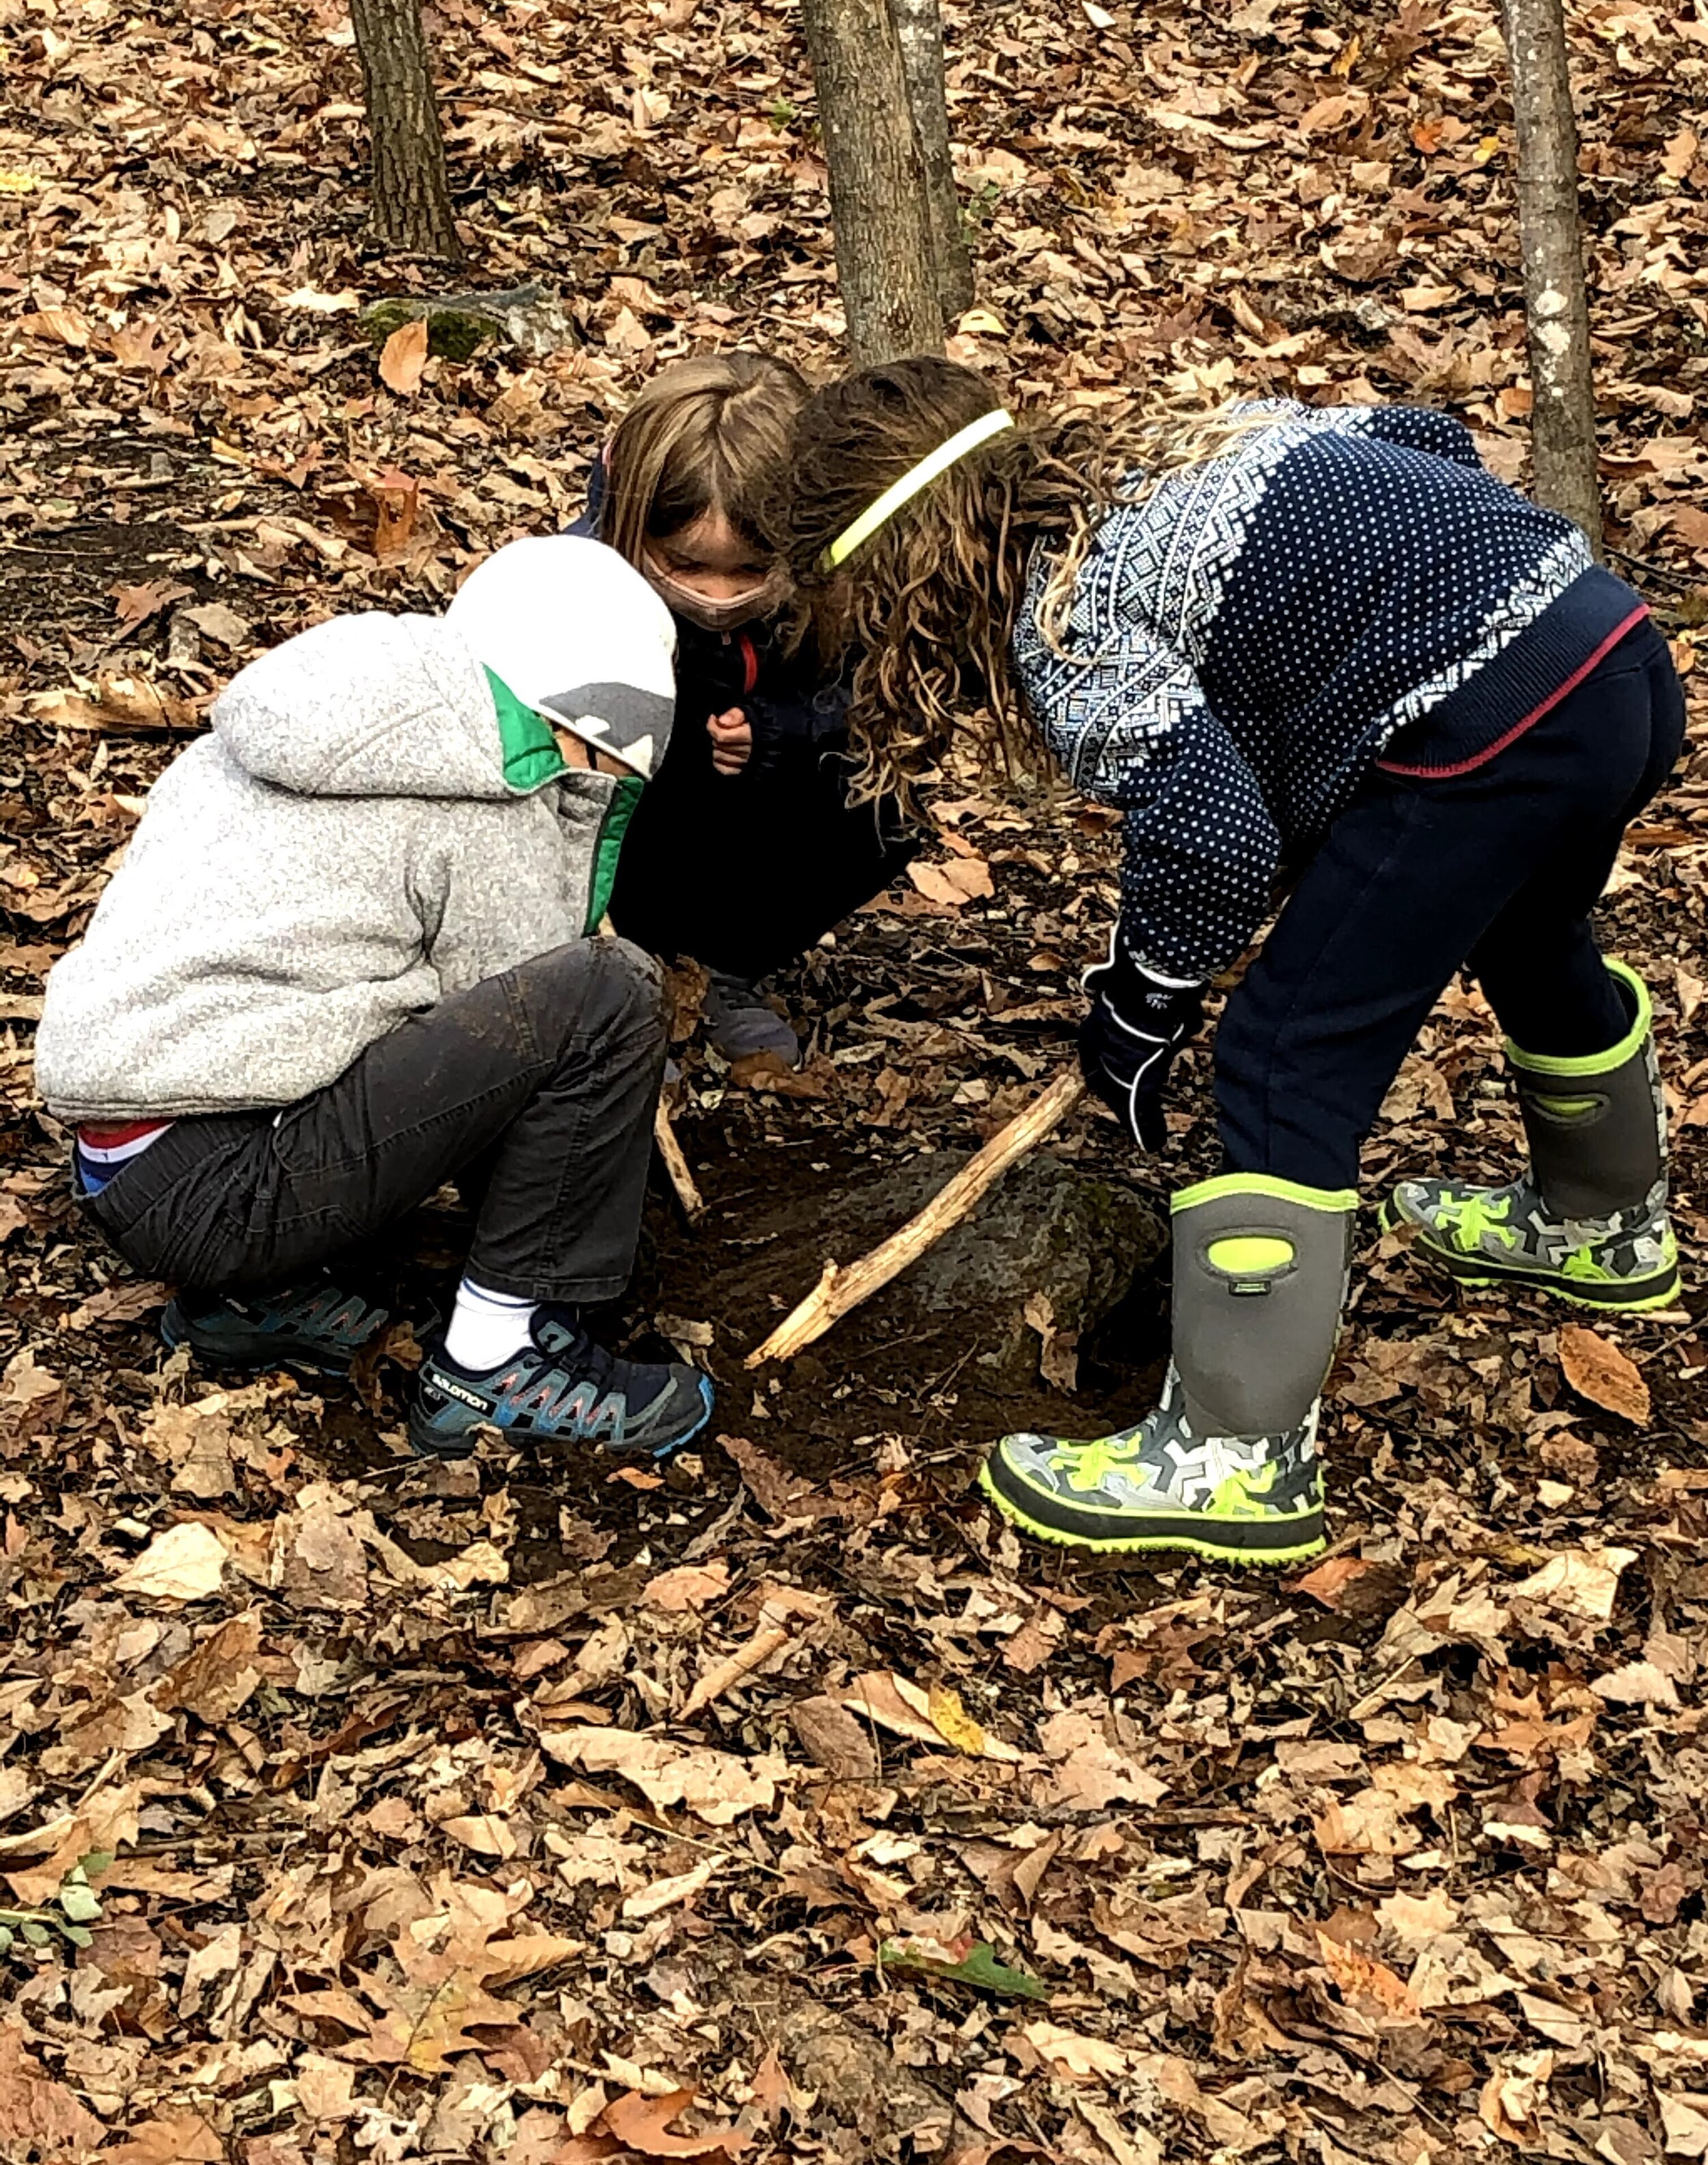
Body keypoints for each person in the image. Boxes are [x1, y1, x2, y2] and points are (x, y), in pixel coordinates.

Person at [778, 357, 1685, 1568]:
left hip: (1490, 733)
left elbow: (1212, 841)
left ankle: (1232, 1456)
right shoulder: (1179, 433)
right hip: (1610, 654)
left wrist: (1142, 1003)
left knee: (1278, 1050)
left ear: (898, 573)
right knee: (1526, 928)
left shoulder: (1069, 611)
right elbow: (1428, 434)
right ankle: (1605, 1223)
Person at [36, 536, 714, 1460]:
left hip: (129, 1166)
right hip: (222, 1187)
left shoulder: (322, 722)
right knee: (610, 992)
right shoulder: (482, 801)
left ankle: (249, 1303)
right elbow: (525, 1033)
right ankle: (493, 1361)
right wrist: (562, 1234)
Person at [570, 353, 913, 1066]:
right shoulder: (581, 579)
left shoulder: (840, 584)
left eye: (753, 571)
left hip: (748, 806)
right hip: (626, 821)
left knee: (884, 812)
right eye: (689, 566)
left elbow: (869, 701)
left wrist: (777, 733)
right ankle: (605, 986)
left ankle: (722, 966)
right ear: (636, 524)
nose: (721, 596)